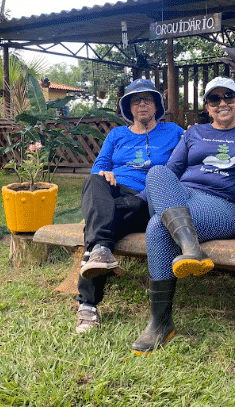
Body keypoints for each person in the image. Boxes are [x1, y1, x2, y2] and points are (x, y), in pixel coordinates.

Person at [130, 76, 235, 354]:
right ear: (207, 106)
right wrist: (130, 206)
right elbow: (170, 171)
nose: (222, 103)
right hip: (181, 196)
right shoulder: (194, 133)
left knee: (157, 226)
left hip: (220, 206)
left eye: (228, 96)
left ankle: (160, 323)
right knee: (157, 171)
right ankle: (191, 249)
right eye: (214, 98)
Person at [76, 78, 183, 334]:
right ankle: (101, 248)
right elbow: (99, 165)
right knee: (93, 181)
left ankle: (87, 304)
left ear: (157, 105)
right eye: (136, 100)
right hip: (114, 193)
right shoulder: (117, 135)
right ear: (129, 108)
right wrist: (105, 173)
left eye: (147, 99)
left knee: (98, 225)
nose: (142, 104)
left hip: (147, 198)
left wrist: (145, 194)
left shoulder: (175, 132)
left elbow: (180, 169)